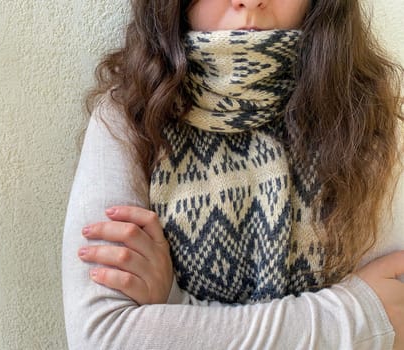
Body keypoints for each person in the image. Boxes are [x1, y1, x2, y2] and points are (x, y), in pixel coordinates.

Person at [62, 0, 404, 348]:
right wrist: (354, 320)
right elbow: (101, 337)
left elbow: (398, 309)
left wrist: (174, 308)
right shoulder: (128, 119)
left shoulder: (367, 119)